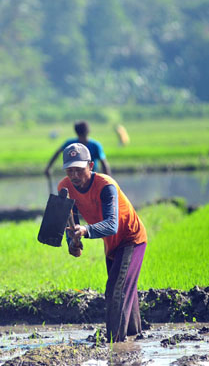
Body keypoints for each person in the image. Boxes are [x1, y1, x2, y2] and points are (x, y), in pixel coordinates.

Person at [57, 142, 147, 343]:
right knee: (123, 289)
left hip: (131, 238)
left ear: (90, 166)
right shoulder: (65, 188)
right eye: (70, 170)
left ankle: (114, 344)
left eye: (79, 170)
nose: (74, 175)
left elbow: (112, 225)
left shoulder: (106, 186)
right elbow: (71, 227)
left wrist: (86, 231)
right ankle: (132, 337)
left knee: (116, 290)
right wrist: (72, 242)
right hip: (111, 244)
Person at [45, 120, 110, 177]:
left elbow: (57, 153)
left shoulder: (94, 145)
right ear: (88, 131)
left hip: (90, 177)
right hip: (76, 177)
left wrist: (49, 167)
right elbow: (104, 164)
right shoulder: (94, 145)